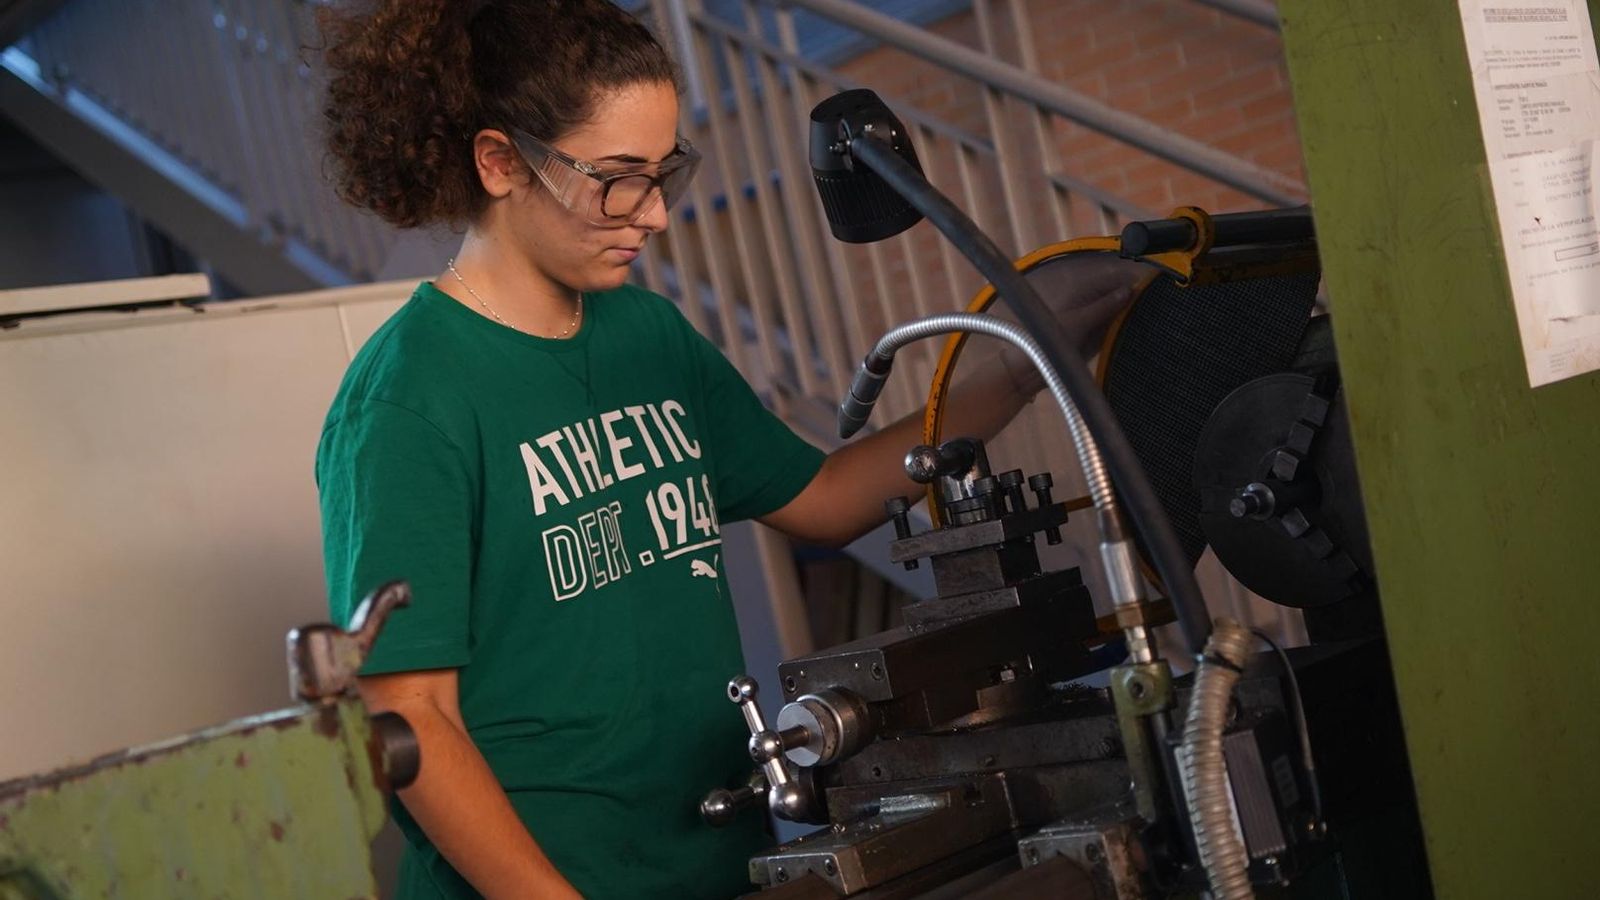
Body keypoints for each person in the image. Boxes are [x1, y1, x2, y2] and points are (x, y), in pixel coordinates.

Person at [314, 1, 1136, 897]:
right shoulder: (409, 399)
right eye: (618, 178)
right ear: (501, 161)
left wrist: (1015, 370)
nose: (656, 213)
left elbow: (822, 495)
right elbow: (410, 714)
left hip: (717, 866)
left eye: (665, 171)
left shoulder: (648, 336)